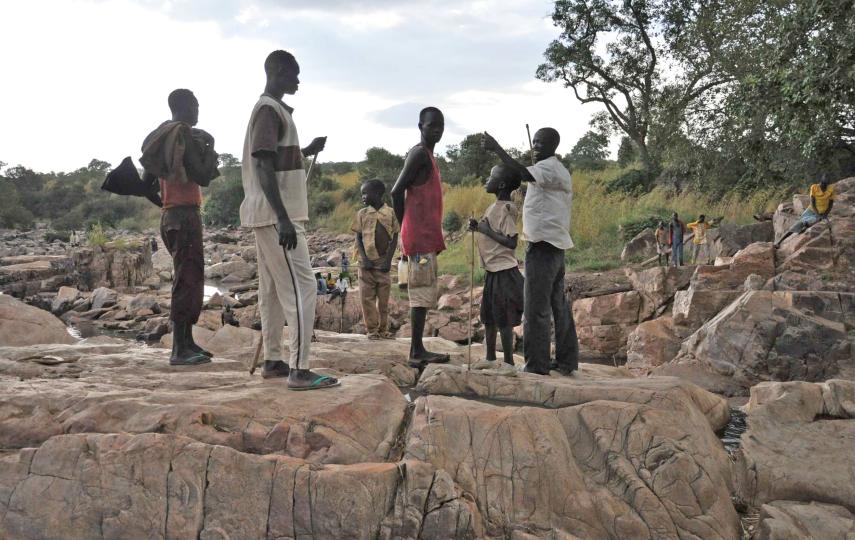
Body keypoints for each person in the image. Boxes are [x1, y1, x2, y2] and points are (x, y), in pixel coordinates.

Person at [239, 50, 338, 390]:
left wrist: (306, 150)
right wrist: (282, 218)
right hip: (276, 216)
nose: (298, 81)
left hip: (264, 215)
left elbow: (274, 159)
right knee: (303, 286)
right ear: (279, 71)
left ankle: (273, 360)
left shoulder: (273, 110)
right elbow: (263, 166)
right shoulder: (269, 108)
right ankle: (299, 368)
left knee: (270, 290)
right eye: (294, 74)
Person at [483, 128, 578, 376]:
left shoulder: (548, 168)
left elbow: (520, 171)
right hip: (554, 246)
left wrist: (496, 148)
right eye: (534, 142)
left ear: (553, 146)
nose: (535, 146)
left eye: (541, 143)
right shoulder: (553, 170)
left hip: (543, 247)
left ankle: (536, 365)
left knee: (536, 308)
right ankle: (566, 361)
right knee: (558, 305)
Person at [140, 89, 219, 366]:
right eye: (196, 105)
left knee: (185, 276)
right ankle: (179, 350)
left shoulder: (160, 137)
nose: (198, 110)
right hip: (185, 216)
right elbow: (202, 175)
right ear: (185, 106)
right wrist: (210, 146)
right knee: (188, 279)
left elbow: (145, 184)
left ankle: (186, 342)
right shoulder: (183, 133)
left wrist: (165, 203)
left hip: (169, 216)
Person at [391, 107, 451, 367]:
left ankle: (418, 348)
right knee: (421, 291)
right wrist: (406, 224)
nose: (436, 130)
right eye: (431, 125)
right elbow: (396, 191)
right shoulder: (418, 154)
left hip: (423, 236)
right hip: (418, 237)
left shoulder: (428, 155)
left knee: (422, 290)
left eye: (440, 125)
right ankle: (416, 350)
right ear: (420, 126)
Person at [468, 165, 523, 372]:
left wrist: (485, 230)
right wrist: (477, 226)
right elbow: (488, 228)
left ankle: (508, 363)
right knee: (489, 317)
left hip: (504, 273)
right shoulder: (495, 206)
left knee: (504, 319)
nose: (486, 180)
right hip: (493, 272)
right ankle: (490, 358)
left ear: (500, 185)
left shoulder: (506, 210)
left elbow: (511, 242)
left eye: (490, 177)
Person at [352, 179, 399, 340]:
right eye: (362, 194)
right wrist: (364, 258)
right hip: (365, 264)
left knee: (384, 301)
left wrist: (388, 261)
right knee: (367, 299)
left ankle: (383, 329)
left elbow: (395, 238)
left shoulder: (391, 213)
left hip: (383, 264)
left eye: (366, 193)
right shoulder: (362, 214)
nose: (363, 197)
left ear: (378, 193)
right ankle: (372, 330)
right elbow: (358, 237)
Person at [775, 177, 835, 248]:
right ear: (820, 183)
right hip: (811, 210)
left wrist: (825, 214)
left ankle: (804, 228)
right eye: (822, 185)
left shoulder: (831, 189)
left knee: (815, 222)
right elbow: (812, 203)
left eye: (826, 185)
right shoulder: (814, 187)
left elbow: (831, 203)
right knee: (797, 224)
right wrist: (818, 214)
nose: (824, 187)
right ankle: (779, 242)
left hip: (822, 213)